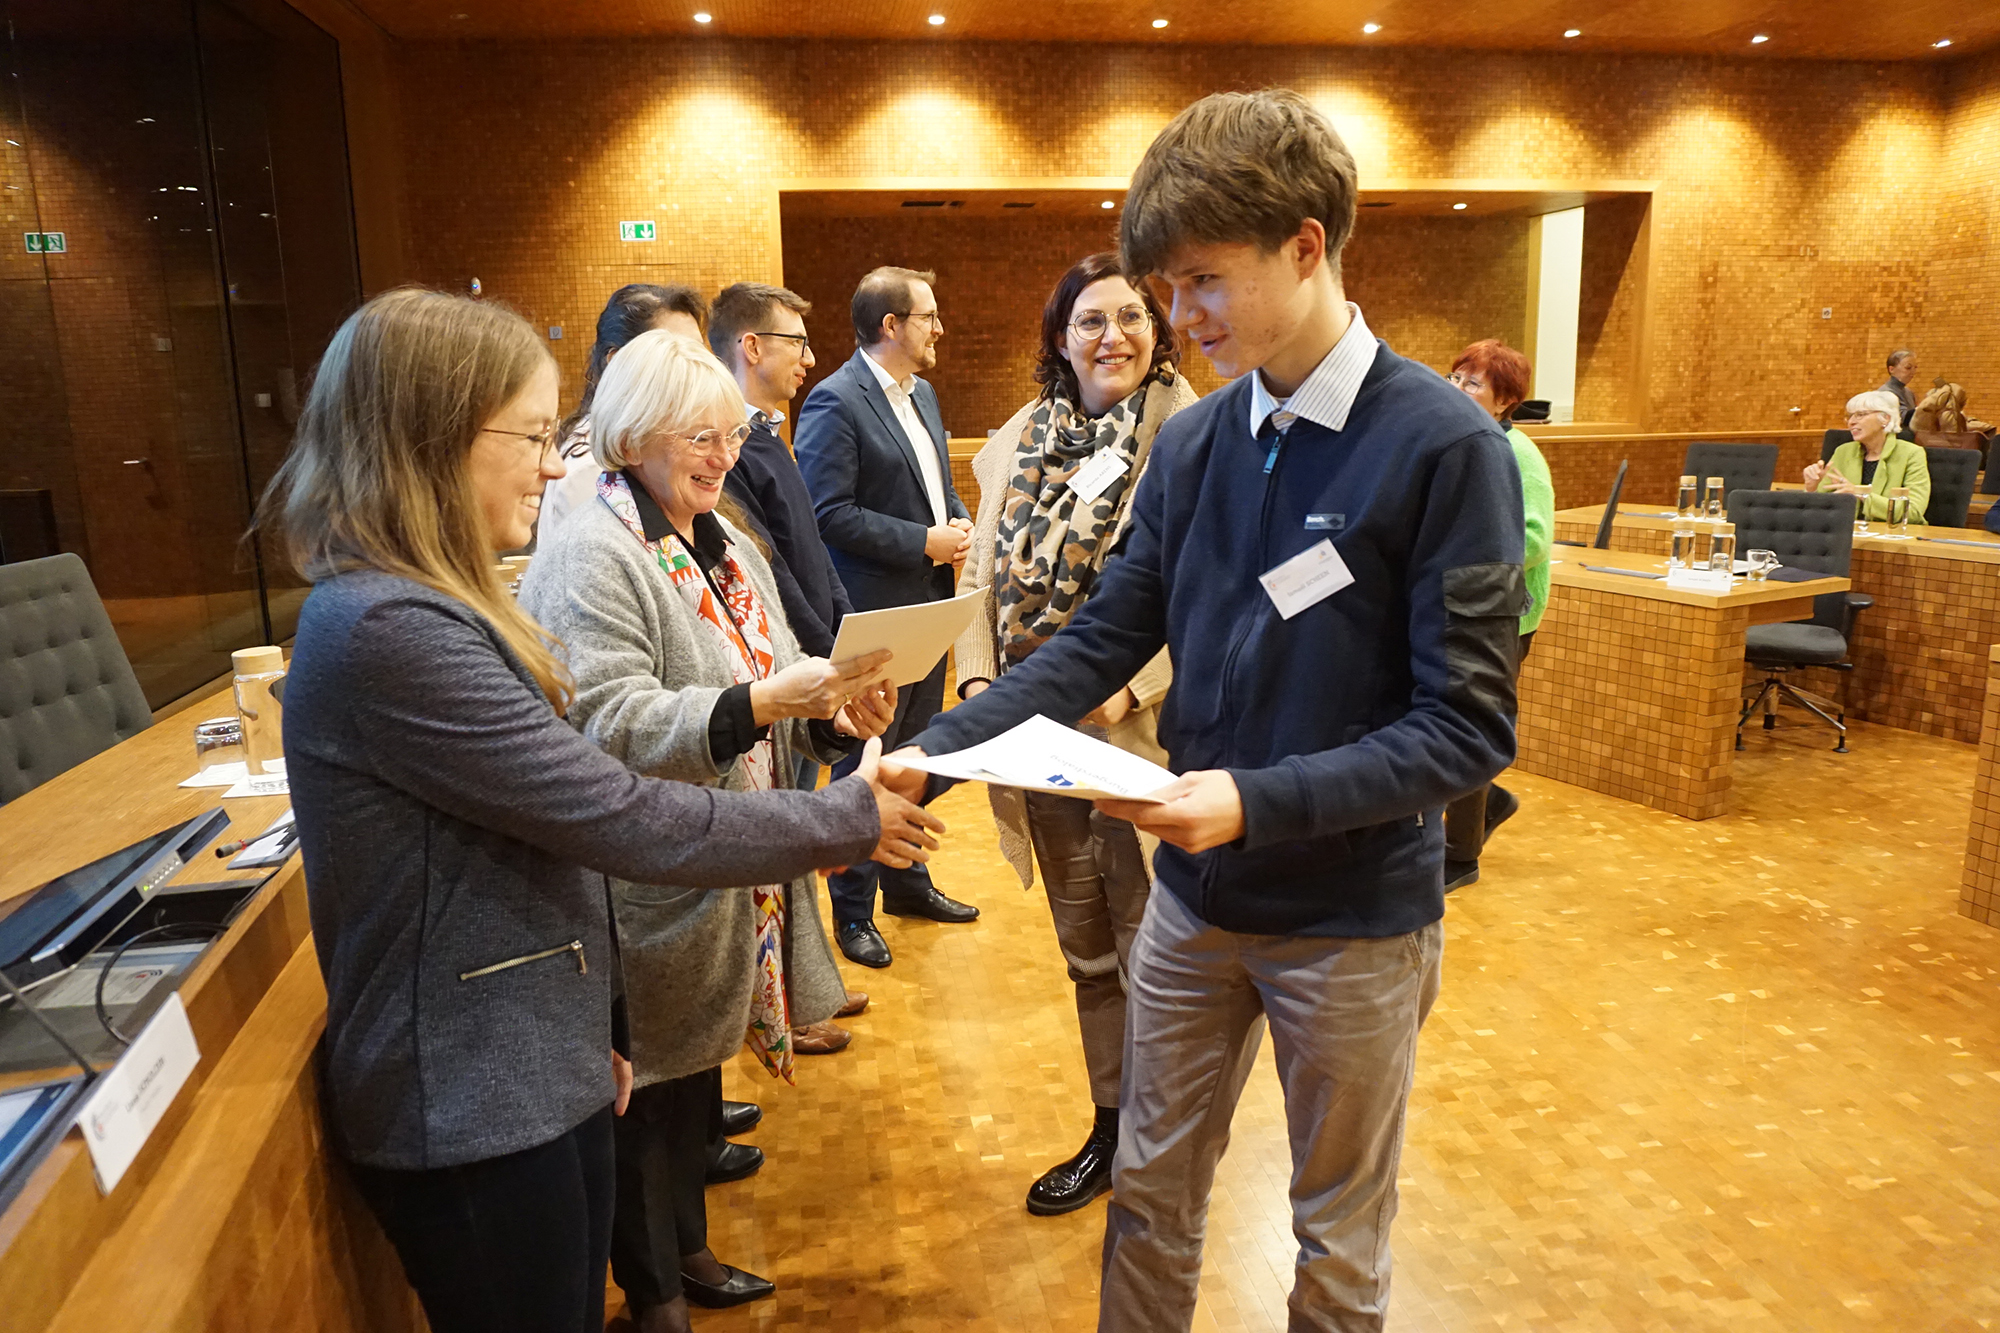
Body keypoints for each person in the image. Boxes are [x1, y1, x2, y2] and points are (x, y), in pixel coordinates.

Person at [885, 89, 1526, 1331]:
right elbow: (1100, 643)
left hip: (1350, 925)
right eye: (1161, 289)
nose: (1176, 319)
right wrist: (936, 747)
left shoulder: (1443, 448)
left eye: (1200, 284)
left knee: (1335, 1242)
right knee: (1149, 1200)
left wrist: (1251, 802)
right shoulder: (1196, 447)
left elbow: (1466, 731)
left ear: (1304, 243)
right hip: (1192, 911)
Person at [262, 287, 940, 1333]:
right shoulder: (386, 626)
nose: (549, 464)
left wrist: (583, 1032)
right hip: (473, 1099)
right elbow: (617, 812)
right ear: (432, 439)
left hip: (530, 1058)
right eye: (532, 435)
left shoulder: (430, 601)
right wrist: (848, 819)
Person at [519, 331, 902, 1331]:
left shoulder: (714, 532)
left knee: (689, 1088)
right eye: (702, 435)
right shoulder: (588, 551)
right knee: (645, 1099)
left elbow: (774, 665)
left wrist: (833, 710)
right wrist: (763, 703)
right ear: (634, 433)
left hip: (721, 849)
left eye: (733, 435)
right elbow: (609, 723)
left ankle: (685, 1251)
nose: (723, 454)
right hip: (642, 871)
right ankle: (653, 1297)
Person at [952, 252, 1195, 1217]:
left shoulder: (1193, 434)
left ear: (1156, 329)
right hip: (1032, 738)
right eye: (1091, 320)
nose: (1114, 337)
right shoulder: (1018, 439)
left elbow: (1208, 592)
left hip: (1136, 738)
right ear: (1061, 336)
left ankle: (1164, 1134)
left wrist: (1125, 685)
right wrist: (977, 674)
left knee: (1158, 950)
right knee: (1087, 948)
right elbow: (976, 569)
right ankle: (1110, 1125)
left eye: (1132, 316)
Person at [796, 266, 978, 969]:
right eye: (928, 316)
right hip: (873, 611)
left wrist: (955, 523)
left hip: (929, 602)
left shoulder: (923, 393)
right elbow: (827, 513)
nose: (939, 327)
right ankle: (852, 911)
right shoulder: (835, 402)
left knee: (916, 753)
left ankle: (908, 882)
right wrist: (921, 541)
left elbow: (935, 485)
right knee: (862, 761)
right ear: (891, 326)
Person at [1441, 339, 1552, 892]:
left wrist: (1459, 549)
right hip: (1457, 603)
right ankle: (1489, 801)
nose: (1457, 390)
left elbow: (1532, 538)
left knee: (1469, 726)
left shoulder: (1520, 455)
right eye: (1455, 378)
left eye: (1472, 383)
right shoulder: (1459, 440)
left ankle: (1461, 855)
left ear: (1506, 400)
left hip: (1504, 614)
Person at [540, 284, 709, 540]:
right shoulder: (593, 466)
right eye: (672, 353)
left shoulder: (662, 442)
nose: (694, 369)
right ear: (618, 362)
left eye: (698, 354)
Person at [1805, 389, 1931, 524]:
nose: (1851, 422)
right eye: (1850, 416)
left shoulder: (1911, 454)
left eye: (1860, 415)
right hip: (1845, 532)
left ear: (1885, 418)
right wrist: (1812, 488)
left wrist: (1861, 495)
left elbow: (1913, 512)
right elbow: (1822, 509)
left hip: (1893, 536)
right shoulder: (1843, 452)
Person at [1881, 349, 1918, 433]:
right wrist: (1926, 406)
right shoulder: (1885, 393)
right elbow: (1902, 419)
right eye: (1908, 368)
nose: (1913, 372)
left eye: (1915, 367)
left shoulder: (1909, 392)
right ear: (1891, 369)